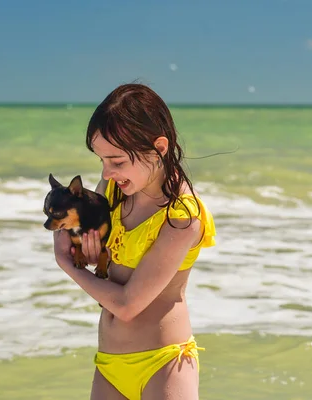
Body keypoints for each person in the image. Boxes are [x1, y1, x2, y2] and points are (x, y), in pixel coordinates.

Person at [52, 83, 216, 400]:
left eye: (117, 162)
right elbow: (103, 283)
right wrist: (87, 255)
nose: (107, 173)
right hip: (109, 365)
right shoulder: (114, 192)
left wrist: (66, 264)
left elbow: (127, 305)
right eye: (101, 160)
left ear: (159, 148)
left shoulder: (181, 216)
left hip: (163, 364)